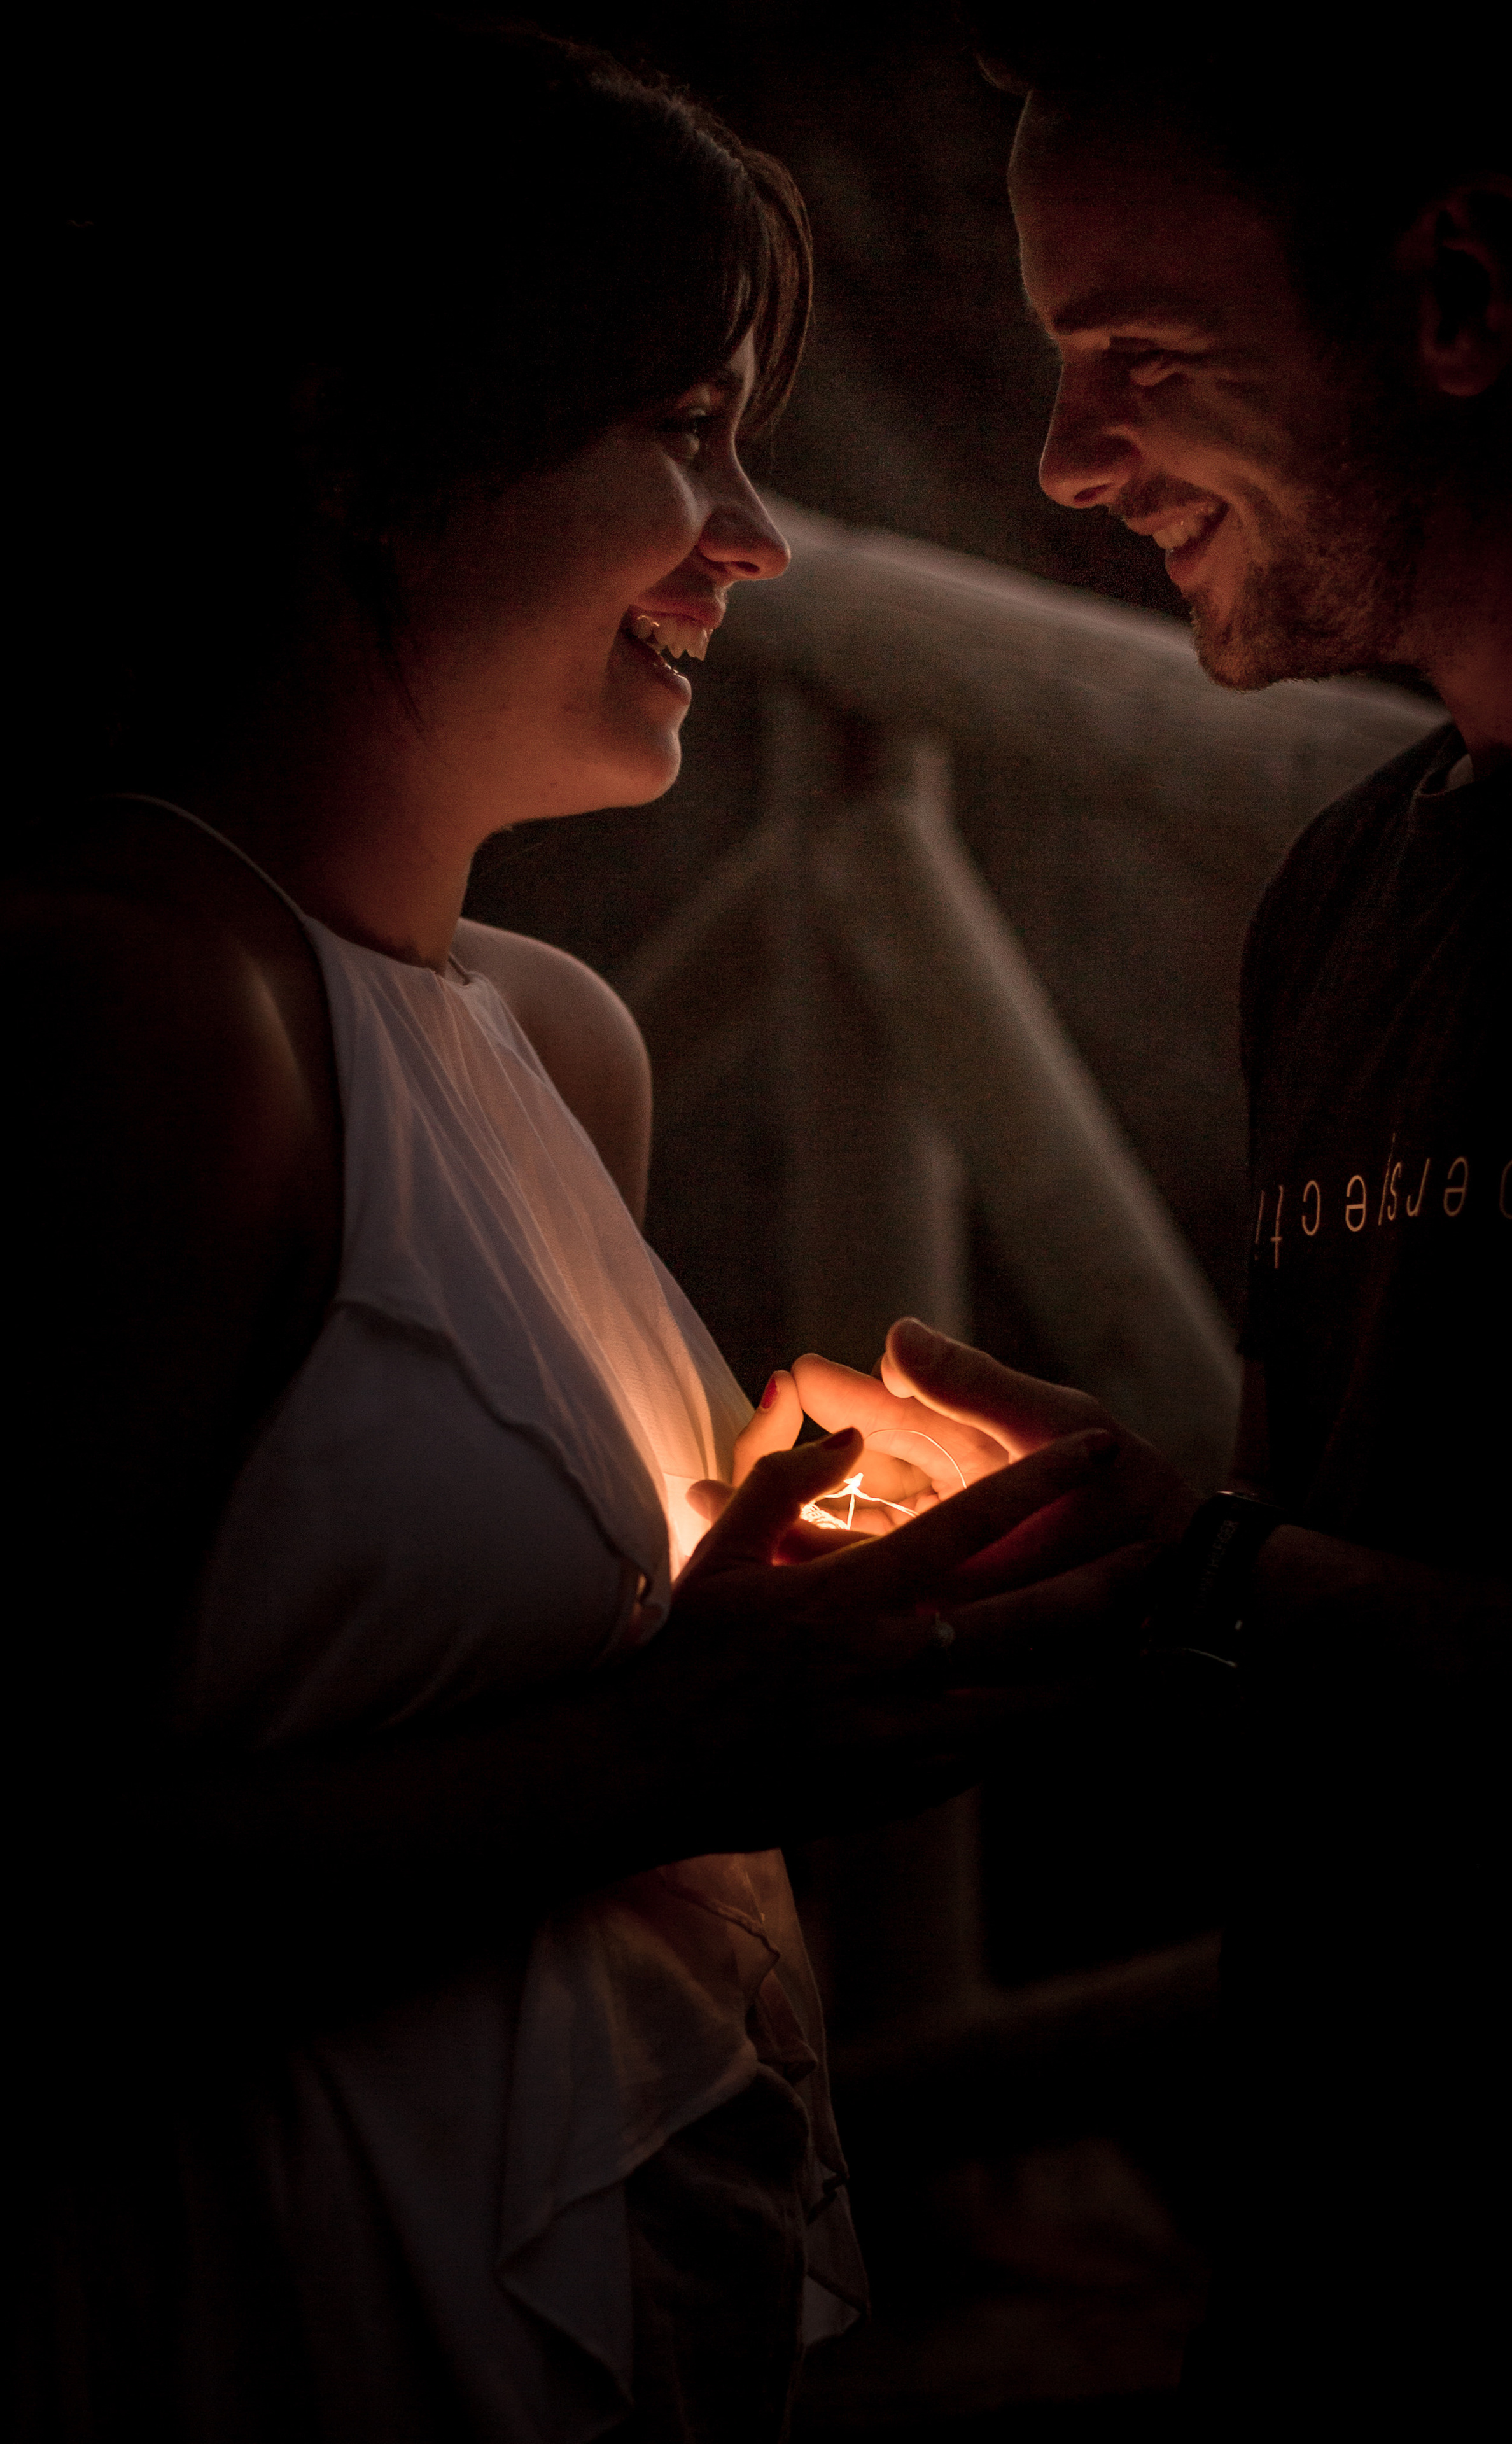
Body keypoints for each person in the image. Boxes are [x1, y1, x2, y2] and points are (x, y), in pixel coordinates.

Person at [11, 22, 1145, 2439]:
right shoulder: (137, 1011)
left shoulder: (552, 1038)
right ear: (358, 438)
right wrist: (682, 1745)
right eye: (681, 422)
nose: (757, 530)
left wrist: (836, 1632)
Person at [792, 10, 1512, 2422]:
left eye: (1135, 358)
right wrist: (1054, 1575)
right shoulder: (1346, 895)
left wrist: (1193, 1572)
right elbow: (1320, 1589)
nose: (1064, 465)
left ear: (1461, 296)